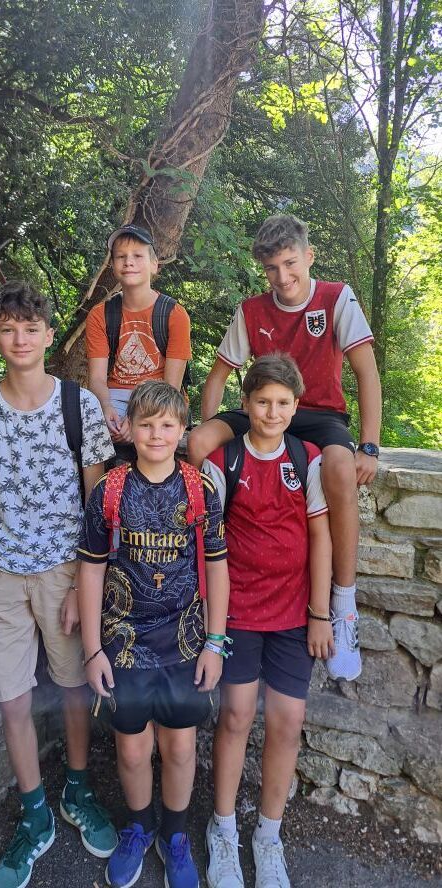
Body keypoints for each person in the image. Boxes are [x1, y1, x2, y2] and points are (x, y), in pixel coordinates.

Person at [0, 281, 117, 888]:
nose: (19, 339)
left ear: (50, 336)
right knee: (12, 700)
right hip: (2, 576)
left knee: (74, 688)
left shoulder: (78, 406)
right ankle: (33, 815)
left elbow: (96, 501)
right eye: (7, 329)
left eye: (30, 329)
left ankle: (77, 790)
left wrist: (83, 587)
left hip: (65, 572)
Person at [188, 214, 382, 682]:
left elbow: (367, 373)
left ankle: (344, 603)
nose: (283, 276)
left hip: (319, 414)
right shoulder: (252, 310)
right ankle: (202, 562)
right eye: (272, 268)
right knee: (198, 443)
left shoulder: (336, 298)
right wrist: (208, 424)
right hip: (266, 407)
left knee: (339, 467)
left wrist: (369, 446)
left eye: (290, 263)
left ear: (308, 256)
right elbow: (218, 375)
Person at [77, 380, 230, 888]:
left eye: (167, 425)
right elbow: (91, 570)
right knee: (131, 749)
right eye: (146, 425)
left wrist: (215, 643)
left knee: (181, 748)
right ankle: (139, 827)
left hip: (185, 640)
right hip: (123, 641)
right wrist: (92, 650)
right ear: (129, 428)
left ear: (182, 429)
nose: (157, 434)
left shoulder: (200, 489)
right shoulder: (110, 490)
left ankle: (175, 835)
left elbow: (217, 567)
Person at [202, 354, 334, 888]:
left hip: (292, 615)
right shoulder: (224, 460)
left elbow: (320, 537)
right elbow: (209, 545)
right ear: (246, 403)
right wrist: (213, 626)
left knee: (286, 722)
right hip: (237, 612)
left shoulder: (308, 459)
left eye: (282, 403)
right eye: (262, 402)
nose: (272, 412)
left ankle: (268, 835)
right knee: (235, 716)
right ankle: (223, 828)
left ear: (296, 406)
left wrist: (320, 613)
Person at [86, 224, 192, 448]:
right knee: (89, 427)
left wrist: (136, 418)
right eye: (121, 256)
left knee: (151, 431)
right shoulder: (100, 314)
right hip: (114, 395)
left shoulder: (174, 314)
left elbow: (171, 386)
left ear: (154, 265)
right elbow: (96, 378)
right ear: (113, 265)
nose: (128, 262)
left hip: (160, 396)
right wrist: (106, 407)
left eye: (137, 255)